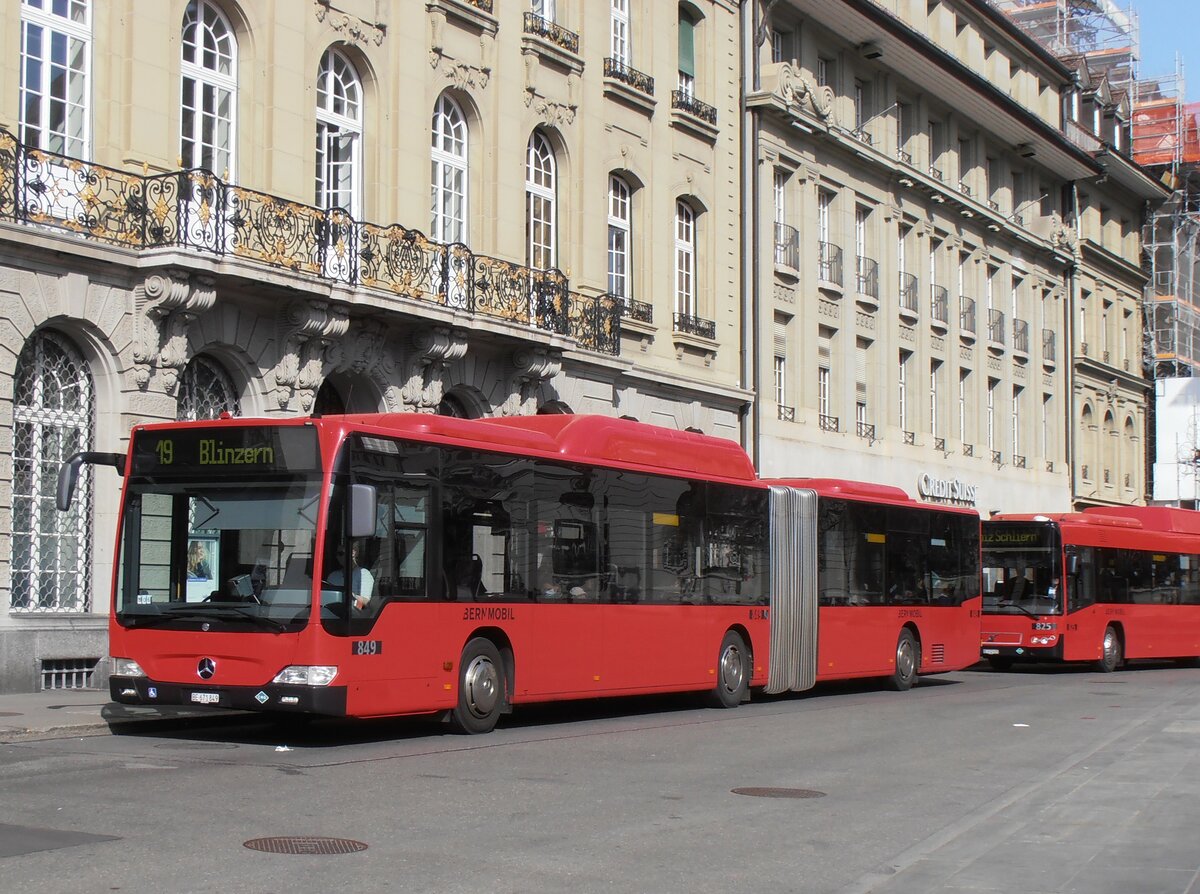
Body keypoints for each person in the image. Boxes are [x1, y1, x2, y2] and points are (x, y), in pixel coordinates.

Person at [328, 541, 375, 611]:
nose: (337, 557)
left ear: (353, 553)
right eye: (336, 554)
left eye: (341, 553)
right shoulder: (332, 576)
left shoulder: (363, 574)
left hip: (352, 616)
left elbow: (364, 606)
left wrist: (351, 597)